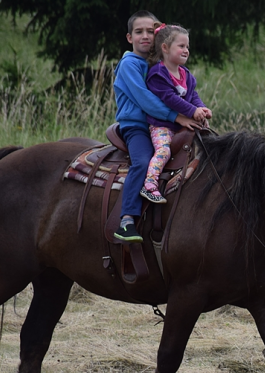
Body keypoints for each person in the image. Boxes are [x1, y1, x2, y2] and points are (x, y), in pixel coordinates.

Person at [112, 10, 201, 243]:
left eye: (150, 31)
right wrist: (178, 117)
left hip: (161, 123)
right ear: (129, 37)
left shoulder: (157, 66)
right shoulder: (129, 65)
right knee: (142, 161)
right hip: (138, 126)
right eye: (139, 32)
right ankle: (127, 220)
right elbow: (145, 99)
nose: (145, 36)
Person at [141, 24, 211, 204]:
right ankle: (150, 183)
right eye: (181, 46)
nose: (186, 50)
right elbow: (169, 98)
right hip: (162, 125)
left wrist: (201, 108)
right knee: (163, 150)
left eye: (187, 47)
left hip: (181, 125)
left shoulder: (185, 74)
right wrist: (192, 111)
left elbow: (192, 95)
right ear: (165, 48)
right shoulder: (158, 74)